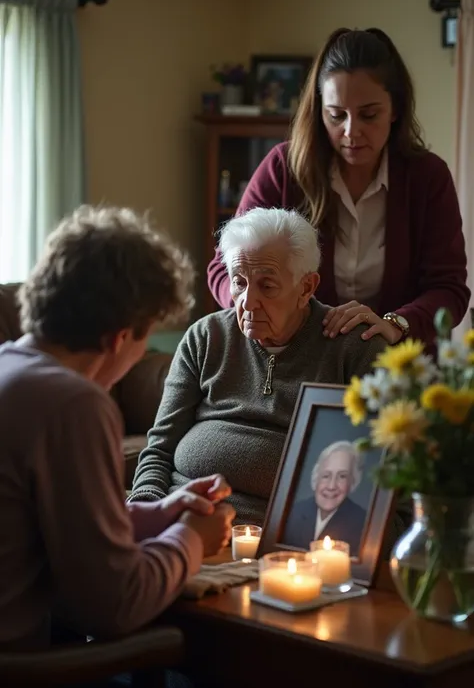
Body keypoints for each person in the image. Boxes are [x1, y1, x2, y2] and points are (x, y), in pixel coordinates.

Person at [0, 205, 236, 658]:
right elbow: (116, 604)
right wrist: (191, 538)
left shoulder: (11, 367)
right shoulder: (73, 404)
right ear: (119, 337)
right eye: (145, 338)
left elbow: (49, 525)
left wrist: (157, 515)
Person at [207, 28, 470, 348]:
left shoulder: (428, 177)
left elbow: (449, 289)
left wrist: (395, 324)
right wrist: (254, 306)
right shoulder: (284, 168)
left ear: (396, 110)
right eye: (336, 115)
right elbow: (223, 268)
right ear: (320, 111)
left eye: (369, 115)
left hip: (397, 368)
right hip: (295, 361)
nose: (351, 131)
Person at [129, 207, 388, 525]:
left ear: (306, 287)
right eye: (239, 283)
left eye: (267, 286)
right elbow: (159, 449)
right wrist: (146, 514)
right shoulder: (206, 337)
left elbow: (380, 481)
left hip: (287, 544)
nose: (248, 302)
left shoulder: (354, 350)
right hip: (183, 523)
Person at [284, 441, 366, 556]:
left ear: (353, 482)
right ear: (316, 478)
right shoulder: (293, 512)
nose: (331, 486)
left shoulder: (363, 524)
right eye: (326, 476)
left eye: (342, 476)